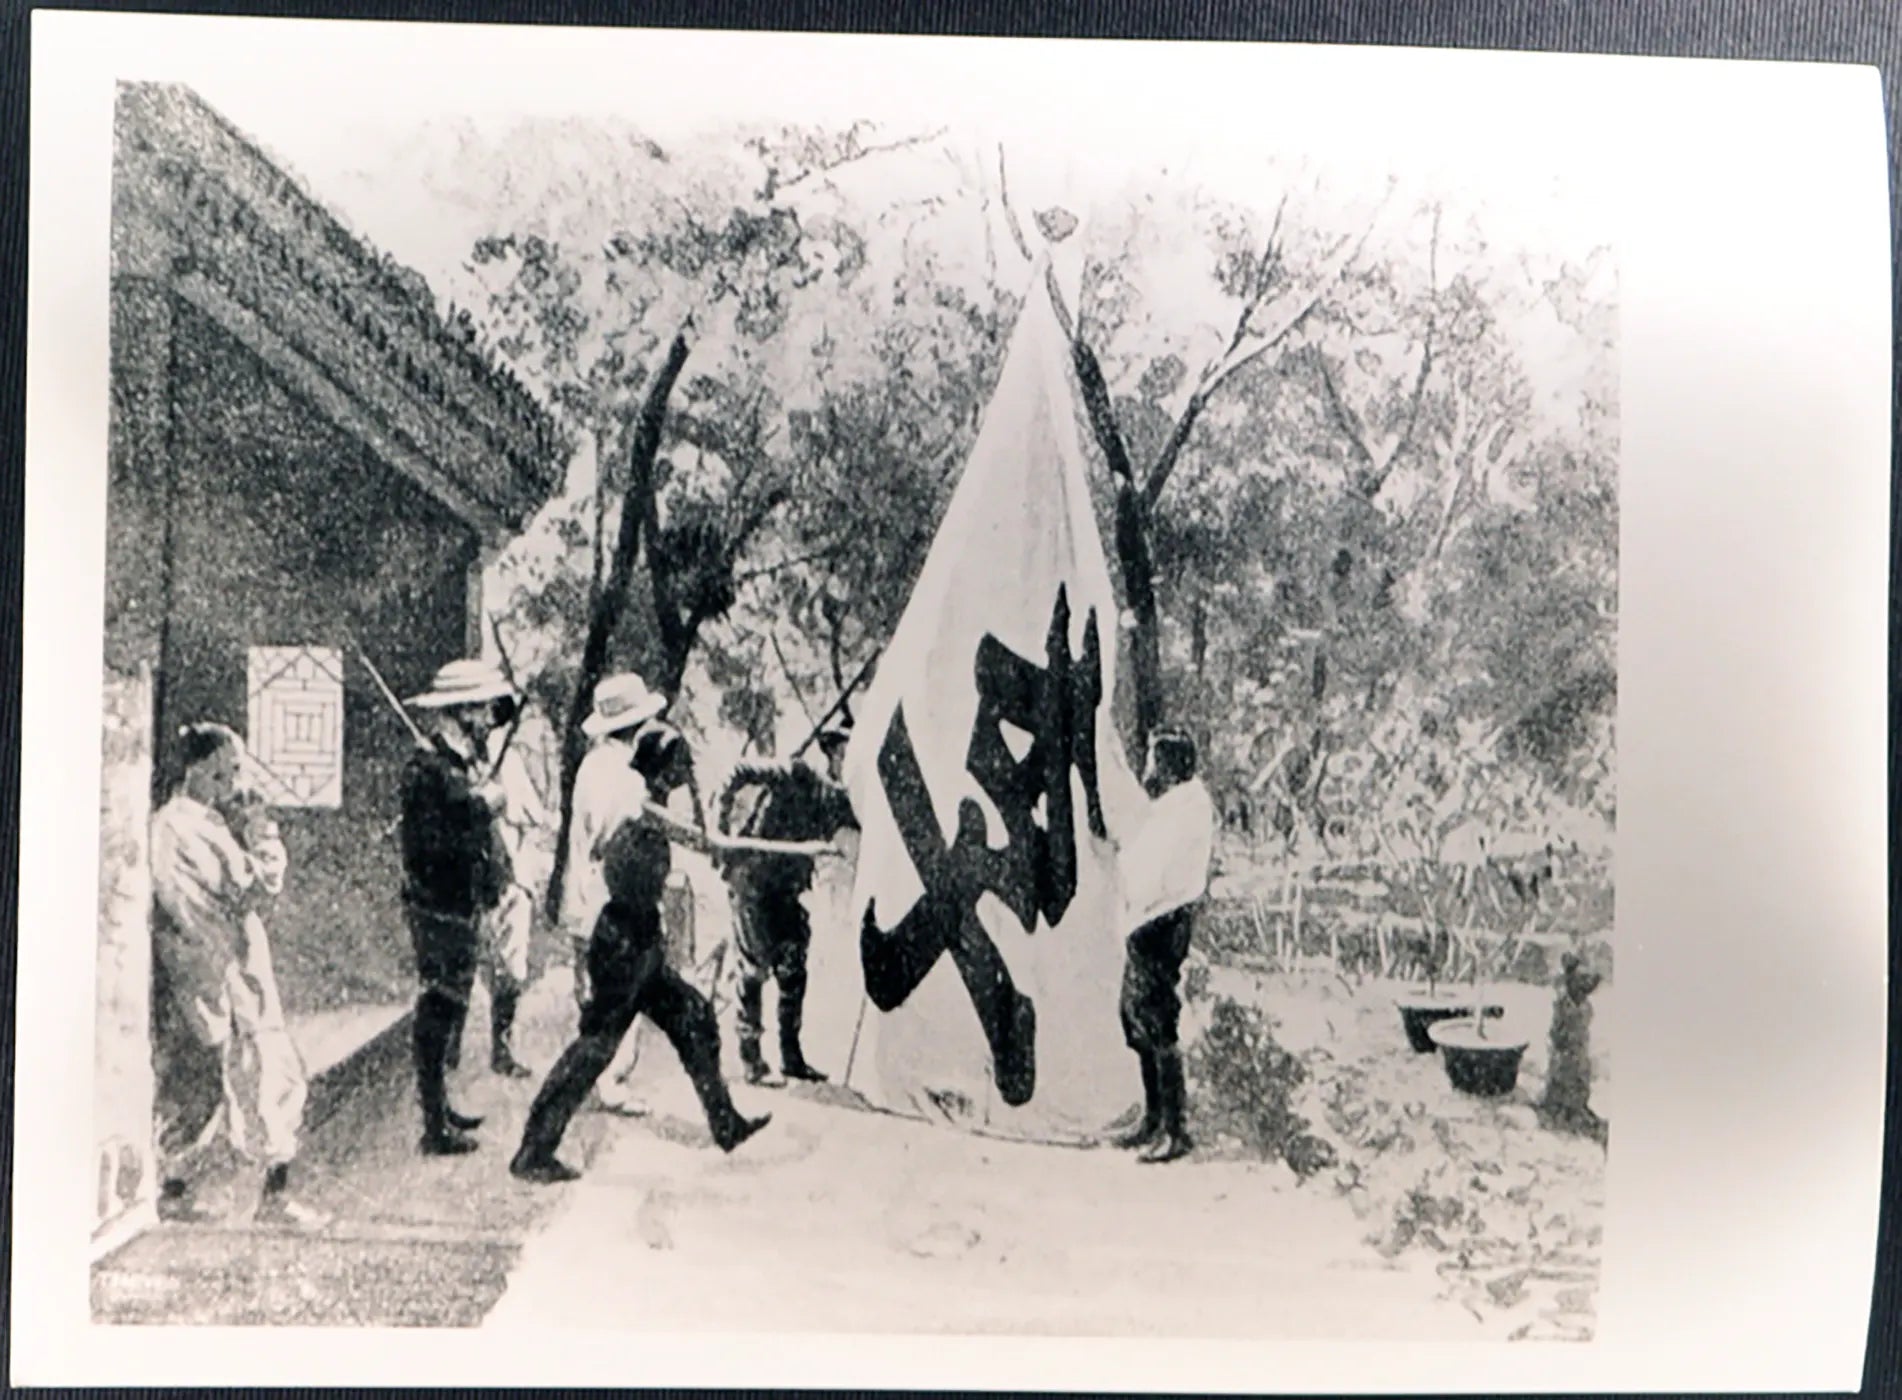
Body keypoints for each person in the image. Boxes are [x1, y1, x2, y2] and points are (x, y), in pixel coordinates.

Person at [510, 723, 833, 1184]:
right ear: (665, 767)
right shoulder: (644, 808)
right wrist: (803, 848)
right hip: (622, 943)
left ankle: (725, 1123)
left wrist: (701, 796)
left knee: (696, 1018)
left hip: (638, 940)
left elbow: (705, 836)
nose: (690, 769)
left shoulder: (649, 801)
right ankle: (533, 1152)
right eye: (683, 763)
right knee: (594, 1050)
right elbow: (718, 845)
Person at [149, 723, 324, 1227]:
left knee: (249, 1078)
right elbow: (255, 886)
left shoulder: (189, 822)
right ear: (197, 769)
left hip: (220, 964)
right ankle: (251, 1197)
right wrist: (263, 831)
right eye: (223, 771)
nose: (231, 782)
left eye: (234, 771)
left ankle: (197, 1191)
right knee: (258, 1076)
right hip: (222, 968)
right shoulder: (186, 826)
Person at [398, 658, 517, 1156]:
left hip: (461, 903)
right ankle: (433, 1125)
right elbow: (429, 844)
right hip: (437, 905)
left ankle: (440, 1107)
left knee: (450, 1006)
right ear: (461, 710)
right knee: (439, 1005)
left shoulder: (457, 763)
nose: (491, 715)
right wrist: (481, 805)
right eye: (484, 707)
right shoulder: (426, 768)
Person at [716, 717, 858, 1085]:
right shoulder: (799, 774)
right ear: (834, 755)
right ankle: (751, 1062)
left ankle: (792, 1059)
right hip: (751, 878)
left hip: (787, 891)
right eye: (847, 754)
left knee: (793, 968)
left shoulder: (844, 801)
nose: (852, 763)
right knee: (753, 969)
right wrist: (720, 830)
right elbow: (738, 772)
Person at [561, 672, 669, 1113]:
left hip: (590, 891)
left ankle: (595, 1074)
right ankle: (607, 1079)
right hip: (612, 893)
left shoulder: (595, 764)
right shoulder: (620, 772)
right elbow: (617, 833)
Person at [1111, 729, 1216, 1165]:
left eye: (1155, 760)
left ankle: (1174, 1129)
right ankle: (1155, 1119)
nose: (1148, 768)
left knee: (1155, 1019)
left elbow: (1152, 867)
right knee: (1135, 1014)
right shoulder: (1175, 805)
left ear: (1169, 766)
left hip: (1161, 918)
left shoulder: (1184, 810)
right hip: (1150, 918)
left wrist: (1129, 882)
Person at [472, 699, 551, 1080]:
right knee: (502, 965)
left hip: (506, 869)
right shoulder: (471, 757)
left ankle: (499, 1050)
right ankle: (495, 1052)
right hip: (490, 874)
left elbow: (529, 812)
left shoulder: (504, 756)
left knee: (504, 966)